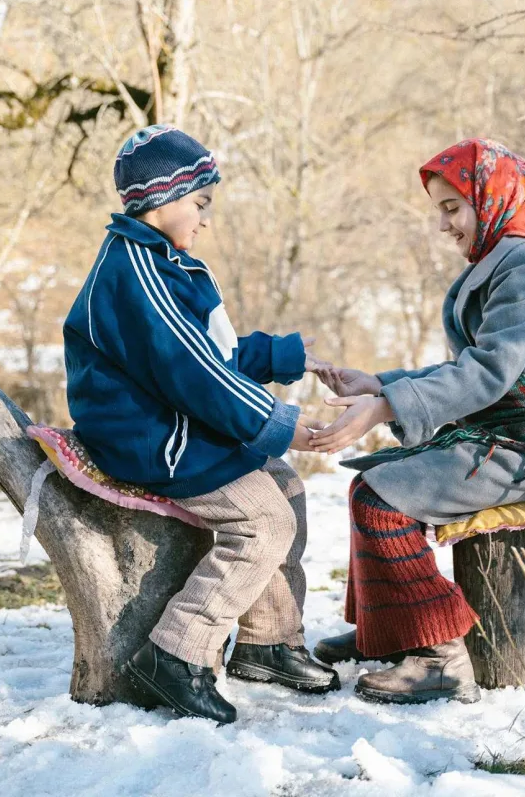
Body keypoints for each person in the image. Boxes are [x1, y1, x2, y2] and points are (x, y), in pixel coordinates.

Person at [311, 138, 525, 705]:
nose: (443, 225)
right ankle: (387, 633)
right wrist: (382, 384)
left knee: (381, 500)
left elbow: (488, 373)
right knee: (369, 488)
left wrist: (389, 407)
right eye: (440, 209)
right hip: (505, 438)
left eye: (451, 207)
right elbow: (469, 366)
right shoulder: (505, 259)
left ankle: (440, 656)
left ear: (491, 197)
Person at [63, 125, 338, 725]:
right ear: (161, 201)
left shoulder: (165, 264)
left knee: (286, 486)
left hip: (172, 420)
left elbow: (209, 356)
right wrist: (278, 421)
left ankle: (268, 640)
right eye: (200, 204)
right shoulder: (135, 274)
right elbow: (196, 377)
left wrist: (285, 357)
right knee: (264, 520)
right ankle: (175, 654)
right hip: (148, 438)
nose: (205, 219)